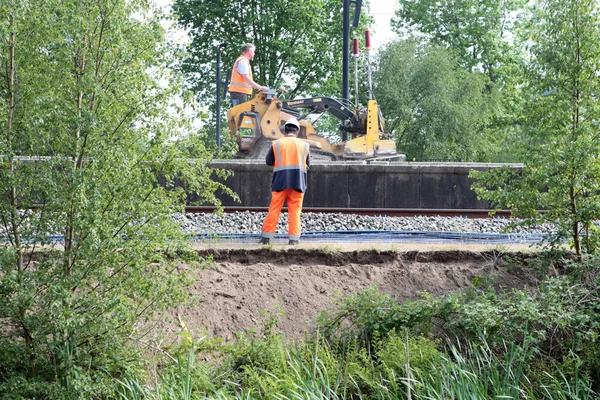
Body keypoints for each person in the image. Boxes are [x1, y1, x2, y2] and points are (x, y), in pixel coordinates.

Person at [260, 118, 310, 245]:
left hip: (280, 182)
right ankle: (293, 240)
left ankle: (267, 237)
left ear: (284, 131)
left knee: (274, 209)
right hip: (298, 183)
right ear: (297, 131)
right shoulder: (305, 145)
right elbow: (308, 164)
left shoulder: (276, 144)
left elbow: (268, 161)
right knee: (295, 212)